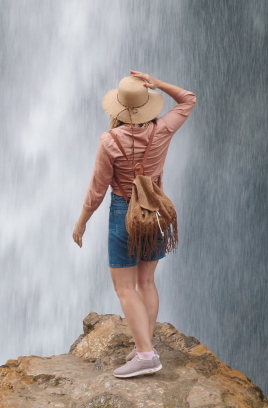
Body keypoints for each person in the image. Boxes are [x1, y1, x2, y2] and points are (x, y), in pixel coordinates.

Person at [72, 70, 196, 378]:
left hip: (124, 212)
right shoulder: (163, 128)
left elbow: (97, 190)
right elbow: (188, 99)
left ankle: (144, 354)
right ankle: (146, 345)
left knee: (125, 287)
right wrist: (158, 83)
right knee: (147, 282)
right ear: (147, 105)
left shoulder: (110, 141)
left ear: (119, 109)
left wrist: (81, 223)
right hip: (153, 212)